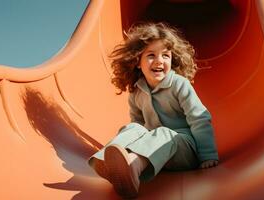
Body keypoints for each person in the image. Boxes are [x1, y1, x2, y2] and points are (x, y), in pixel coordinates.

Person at [88, 22, 219, 198]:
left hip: (185, 150)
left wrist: (207, 155)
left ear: (173, 60)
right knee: (132, 128)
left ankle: (134, 166)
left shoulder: (179, 85)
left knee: (163, 133)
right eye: (151, 55)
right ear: (137, 62)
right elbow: (138, 124)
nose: (159, 60)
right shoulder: (136, 91)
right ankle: (108, 162)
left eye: (165, 55)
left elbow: (199, 118)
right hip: (156, 155)